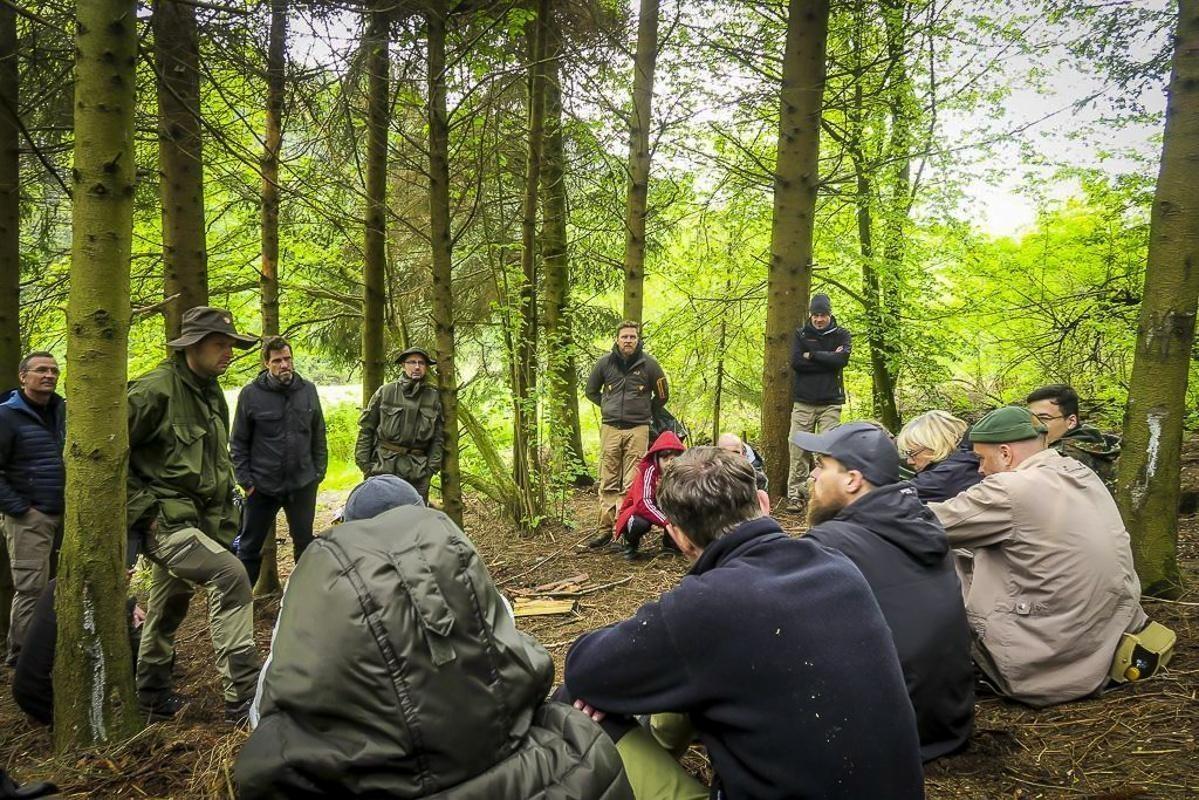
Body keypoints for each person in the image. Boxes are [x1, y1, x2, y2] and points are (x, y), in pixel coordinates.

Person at [237, 476, 632, 800]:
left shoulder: (319, 588)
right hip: (502, 752)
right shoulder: (453, 559)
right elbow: (516, 654)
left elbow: (268, 711)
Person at [564, 447, 924, 799]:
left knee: (573, 704)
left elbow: (584, 670)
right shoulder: (839, 567)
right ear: (763, 503)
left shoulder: (705, 605)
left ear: (679, 537)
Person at [930, 406, 1148, 706]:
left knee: (937, 553)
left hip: (1045, 657)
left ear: (1005, 453)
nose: (979, 469)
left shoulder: (1009, 488)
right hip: (1104, 635)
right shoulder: (1079, 472)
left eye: (981, 458)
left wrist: (881, 500)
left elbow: (926, 525)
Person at [794, 422, 974, 762]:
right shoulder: (922, 521)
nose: (813, 475)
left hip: (883, 737)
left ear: (852, 480)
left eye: (822, 465)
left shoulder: (830, 544)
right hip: (946, 722)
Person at [127, 306, 262, 722]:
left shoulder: (209, 391)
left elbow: (212, 463)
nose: (229, 353)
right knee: (231, 575)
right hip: (164, 522)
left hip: (198, 522)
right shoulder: (153, 390)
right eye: (220, 345)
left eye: (231, 346)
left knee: (169, 601)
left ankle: (151, 693)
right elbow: (102, 457)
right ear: (192, 346)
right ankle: (243, 698)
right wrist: (146, 514)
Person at [231, 337, 328, 584]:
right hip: (262, 486)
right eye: (277, 361)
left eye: (287, 359)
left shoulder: (307, 390)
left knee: (305, 545)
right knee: (249, 549)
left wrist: (318, 473)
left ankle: (306, 599)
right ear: (267, 364)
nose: (284, 365)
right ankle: (242, 603)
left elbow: (318, 433)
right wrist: (246, 482)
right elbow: (238, 442)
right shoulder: (251, 394)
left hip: (302, 484)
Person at [0, 352, 65, 666]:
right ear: (23, 376)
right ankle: (23, 664)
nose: (49, 375)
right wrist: (21, 509)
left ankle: (56, 659)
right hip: (29, 518)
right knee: (31, 590)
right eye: (41, 370)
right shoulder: (6, 415)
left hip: (66, 515)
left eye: (54, 370)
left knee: (65, 587)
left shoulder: (62, 410)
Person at [11, 577, 144, 726]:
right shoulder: (98, 598)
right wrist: (128, 610)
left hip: (28, 692)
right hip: (46, 699)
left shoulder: (60, 585)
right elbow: (141, 659)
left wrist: (127, 604)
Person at [585, 321, 669, 543]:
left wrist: (645, 410)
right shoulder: (604, 364)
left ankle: (623, 528)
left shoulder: (650, 365)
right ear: (617, 339)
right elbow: (590, 391)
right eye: (625, 337)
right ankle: (605, 530)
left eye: (632, 337)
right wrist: (608, 406)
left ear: (638, 339)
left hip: (638, 429)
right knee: (608, 479)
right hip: (610, 428)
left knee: (631, 482)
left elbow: (663, 394)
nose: (628, 341)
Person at [355, 346, 444, 502]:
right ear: (403, 365)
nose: (417, 367)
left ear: (426, 367)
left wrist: (430, 470)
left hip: (417, 472)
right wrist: (365, 465)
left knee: (414, 514)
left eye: (421, 363)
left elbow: (438, 438)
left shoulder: (433, 397)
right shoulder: (386, 392)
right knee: (380, 512)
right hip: (383, 468)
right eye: (412, 362)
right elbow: (367, 428)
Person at [787, 293, 851, 510]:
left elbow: (841, 360)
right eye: (815, 315)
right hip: (803, 401)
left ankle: (824, 494)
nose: (819, 319)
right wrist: (828, 358)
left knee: (828, 450)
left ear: (829, 314)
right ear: (811, 315)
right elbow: (797, 362)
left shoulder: (841, 334)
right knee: (797, 449)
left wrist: (812, 355)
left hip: (831, 402)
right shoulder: (801, 334)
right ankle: (796, 494)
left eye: (823, 315)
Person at [1026, 384, 1120, 490]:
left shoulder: (1057, 458)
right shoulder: (1101, 443)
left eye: (1044, 418)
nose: (1034, 425)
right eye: (1031, 419)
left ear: (1071, 421)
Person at [611, 430, 685, 560]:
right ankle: (631, 544)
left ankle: (671, 545)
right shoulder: (648, 470)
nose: (669, 463)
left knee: (682, 510)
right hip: (638, 511)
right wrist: (666, 522)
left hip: (665, 508)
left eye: (673, 459)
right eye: (665, 458)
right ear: (657, 458)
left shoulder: (682, 473)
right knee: (640, 523)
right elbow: (643, 503)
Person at [895, 410, 982, 502]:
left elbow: (892, 499)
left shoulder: (944, 476)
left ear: (934, 446)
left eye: (912, 453)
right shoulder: (968, 461)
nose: (909, 461)